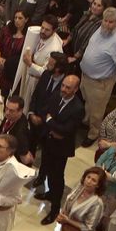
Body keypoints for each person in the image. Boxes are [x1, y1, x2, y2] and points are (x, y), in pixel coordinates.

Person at [31, 72, 86, 214]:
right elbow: (46, 112)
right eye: (63, 85)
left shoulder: (78, 108)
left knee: (57, 176)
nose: (63, 89)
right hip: (49, 140)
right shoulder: (56, 96)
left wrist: (50, 121)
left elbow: (66, 130)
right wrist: (52, 125)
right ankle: (49, 194)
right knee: (47, 168)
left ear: (75, 90)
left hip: (61, 148)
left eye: (68, 88)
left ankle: (55, 208)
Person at [76, 5, 116, 141]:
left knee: (97, 111)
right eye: (105, 20)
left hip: (100, 82)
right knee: (88, 103)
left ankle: (93, 134)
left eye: (111, 22)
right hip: (86, 76)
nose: (107, 24)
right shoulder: (100, 29)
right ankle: (86, 123)